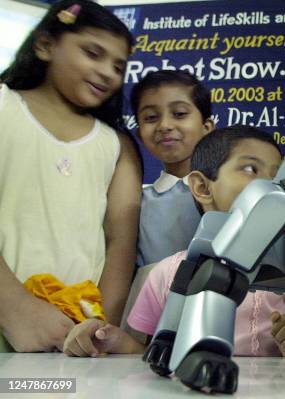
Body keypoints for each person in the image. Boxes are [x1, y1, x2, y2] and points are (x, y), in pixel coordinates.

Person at [63, 126, 285, 357]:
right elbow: (150, 355)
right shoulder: (166, 275)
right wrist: (109, 339)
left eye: (277, 176)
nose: (269, 186)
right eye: (251, 169)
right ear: (203, 188)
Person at [0, 0, 141, 352]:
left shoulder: (116, 145)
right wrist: (14, 307)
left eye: (118, 66)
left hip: (73, 337)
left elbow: (120, 245)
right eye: (93, 53)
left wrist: (96, 329)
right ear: (46, 45)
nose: (108, 72)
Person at [130, 70, 215, 267]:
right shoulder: (138, 203)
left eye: (179, 114)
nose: (165, 125)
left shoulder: (225, 191)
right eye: (151, 117)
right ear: (140, 134)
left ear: (207, 127)